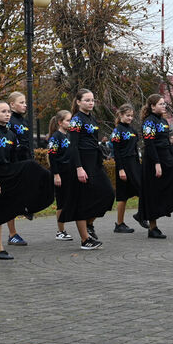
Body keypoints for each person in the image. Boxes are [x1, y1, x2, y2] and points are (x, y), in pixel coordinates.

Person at [0, 100, 55, 260]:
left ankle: (29, 207)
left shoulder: (11, 135)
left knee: (30, 167)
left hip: (9, 172)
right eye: (3, 112)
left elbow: (14, 159)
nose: (7, 114)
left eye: (8, 111)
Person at [62, 88, 114, 246]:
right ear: (78, 102)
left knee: (108, 193)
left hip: (95, 162)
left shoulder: (92, 118)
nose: (91, 103)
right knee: (83, 201)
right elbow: (73, 146)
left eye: (92, 100)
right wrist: (79, 168)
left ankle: (90, 224)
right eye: (87, 100)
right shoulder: (77, 119)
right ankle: (85, 240)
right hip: (82, 162)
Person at [138, 94, 173, 239]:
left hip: (167, 157)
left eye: (164, 104)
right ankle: (153, 227)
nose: (164, 106)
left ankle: (165, 206)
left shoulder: (163, 121)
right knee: (153, 192)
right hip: (153, 159)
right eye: (160, 104)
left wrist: (172, 157)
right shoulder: (148, 122)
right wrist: (157, 163)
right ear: (152, 106)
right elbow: (149, 144)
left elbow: (166, 141)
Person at [47, 110, 90, 245]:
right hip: (61, 173)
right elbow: (52, 157)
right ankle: (61, 231)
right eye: (68, 120)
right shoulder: (55, 137)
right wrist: (56, 175)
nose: (71, 123)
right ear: (60, 122)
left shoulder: (71, 136)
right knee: (61, 202)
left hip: (72, 173)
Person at [4, 91, 34, 247]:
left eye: (25, 102)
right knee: (12, 197)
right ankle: (12, 234)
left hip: (25, 159)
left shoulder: (24, 121)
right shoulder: (10, 121)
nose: (25, 105)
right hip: (14, 161)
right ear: (12, 105)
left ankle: (27, 206)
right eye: (21, 102)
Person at [110, 104, 142, 233]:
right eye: (127, 115)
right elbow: (116, 152)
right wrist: (121, 169)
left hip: (134, 163)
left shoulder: (133, 130)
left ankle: (141, 215)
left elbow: (135, 148)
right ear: (121, 115)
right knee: (122, 195)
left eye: (131, 116)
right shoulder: (117, 131)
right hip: (124, 164)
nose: (130, 118)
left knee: (142, 189)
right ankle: (119, 224)